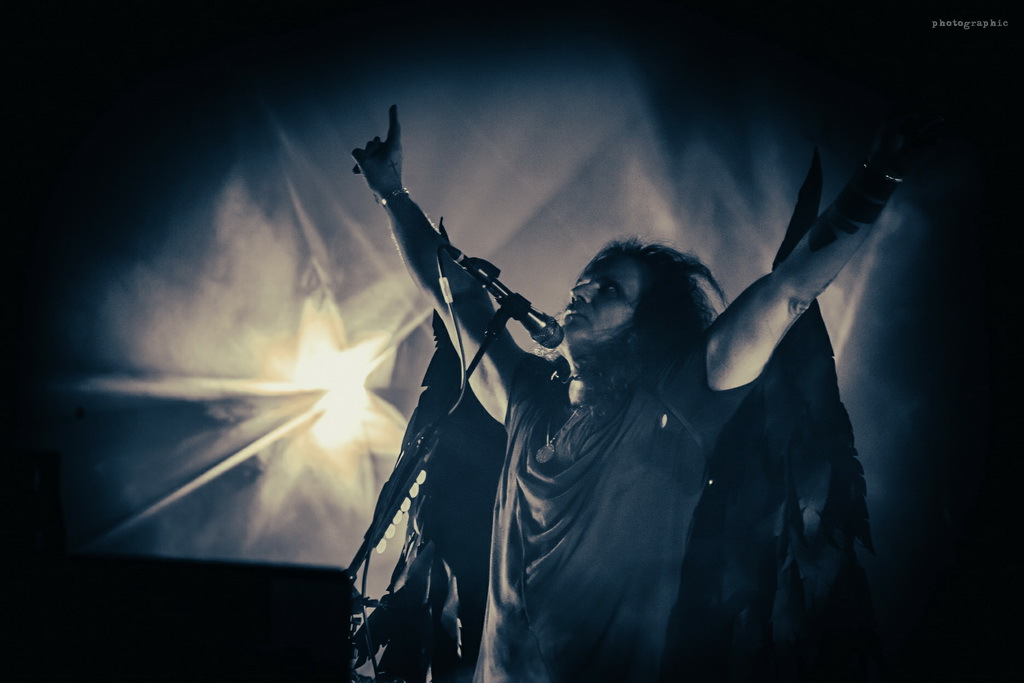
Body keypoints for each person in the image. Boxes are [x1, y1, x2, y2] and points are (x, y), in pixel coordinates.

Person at [351, 105, 936, 681]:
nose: (581, 291)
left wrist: (878, 177)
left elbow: (786, 294)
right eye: (582, 283)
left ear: (647, 324)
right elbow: (452, 291)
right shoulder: (528, 401)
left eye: (608, 289)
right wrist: (391, 192)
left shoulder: (679, 403)